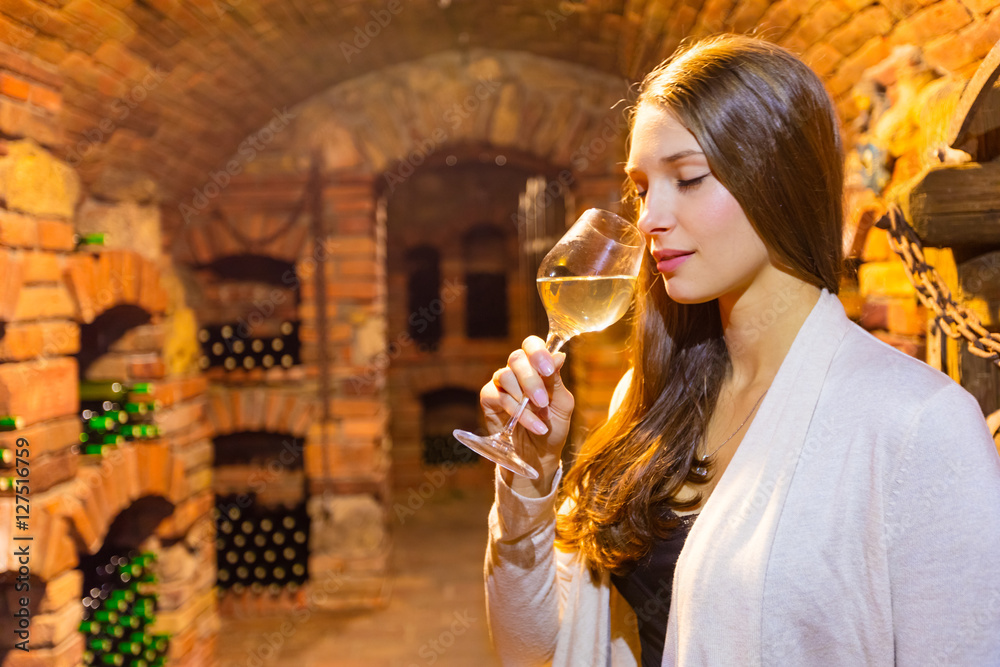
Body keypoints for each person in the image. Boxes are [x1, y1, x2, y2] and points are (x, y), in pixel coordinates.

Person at [479, 33, 1000, 667]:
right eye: (642, 187)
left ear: (779, 179)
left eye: (689, 178)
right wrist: (530, 477)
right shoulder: (649, 398)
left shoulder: (920, 427)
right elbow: (529, 645)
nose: (648, 219)